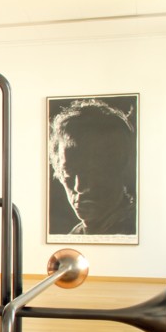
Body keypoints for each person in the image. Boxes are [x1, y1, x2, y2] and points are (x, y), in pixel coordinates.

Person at [48, 99, 136, 236]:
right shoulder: (74, 236)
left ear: (120, 166)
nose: (79, 187)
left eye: (92, 171)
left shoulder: (135, 229)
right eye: (68, 173)